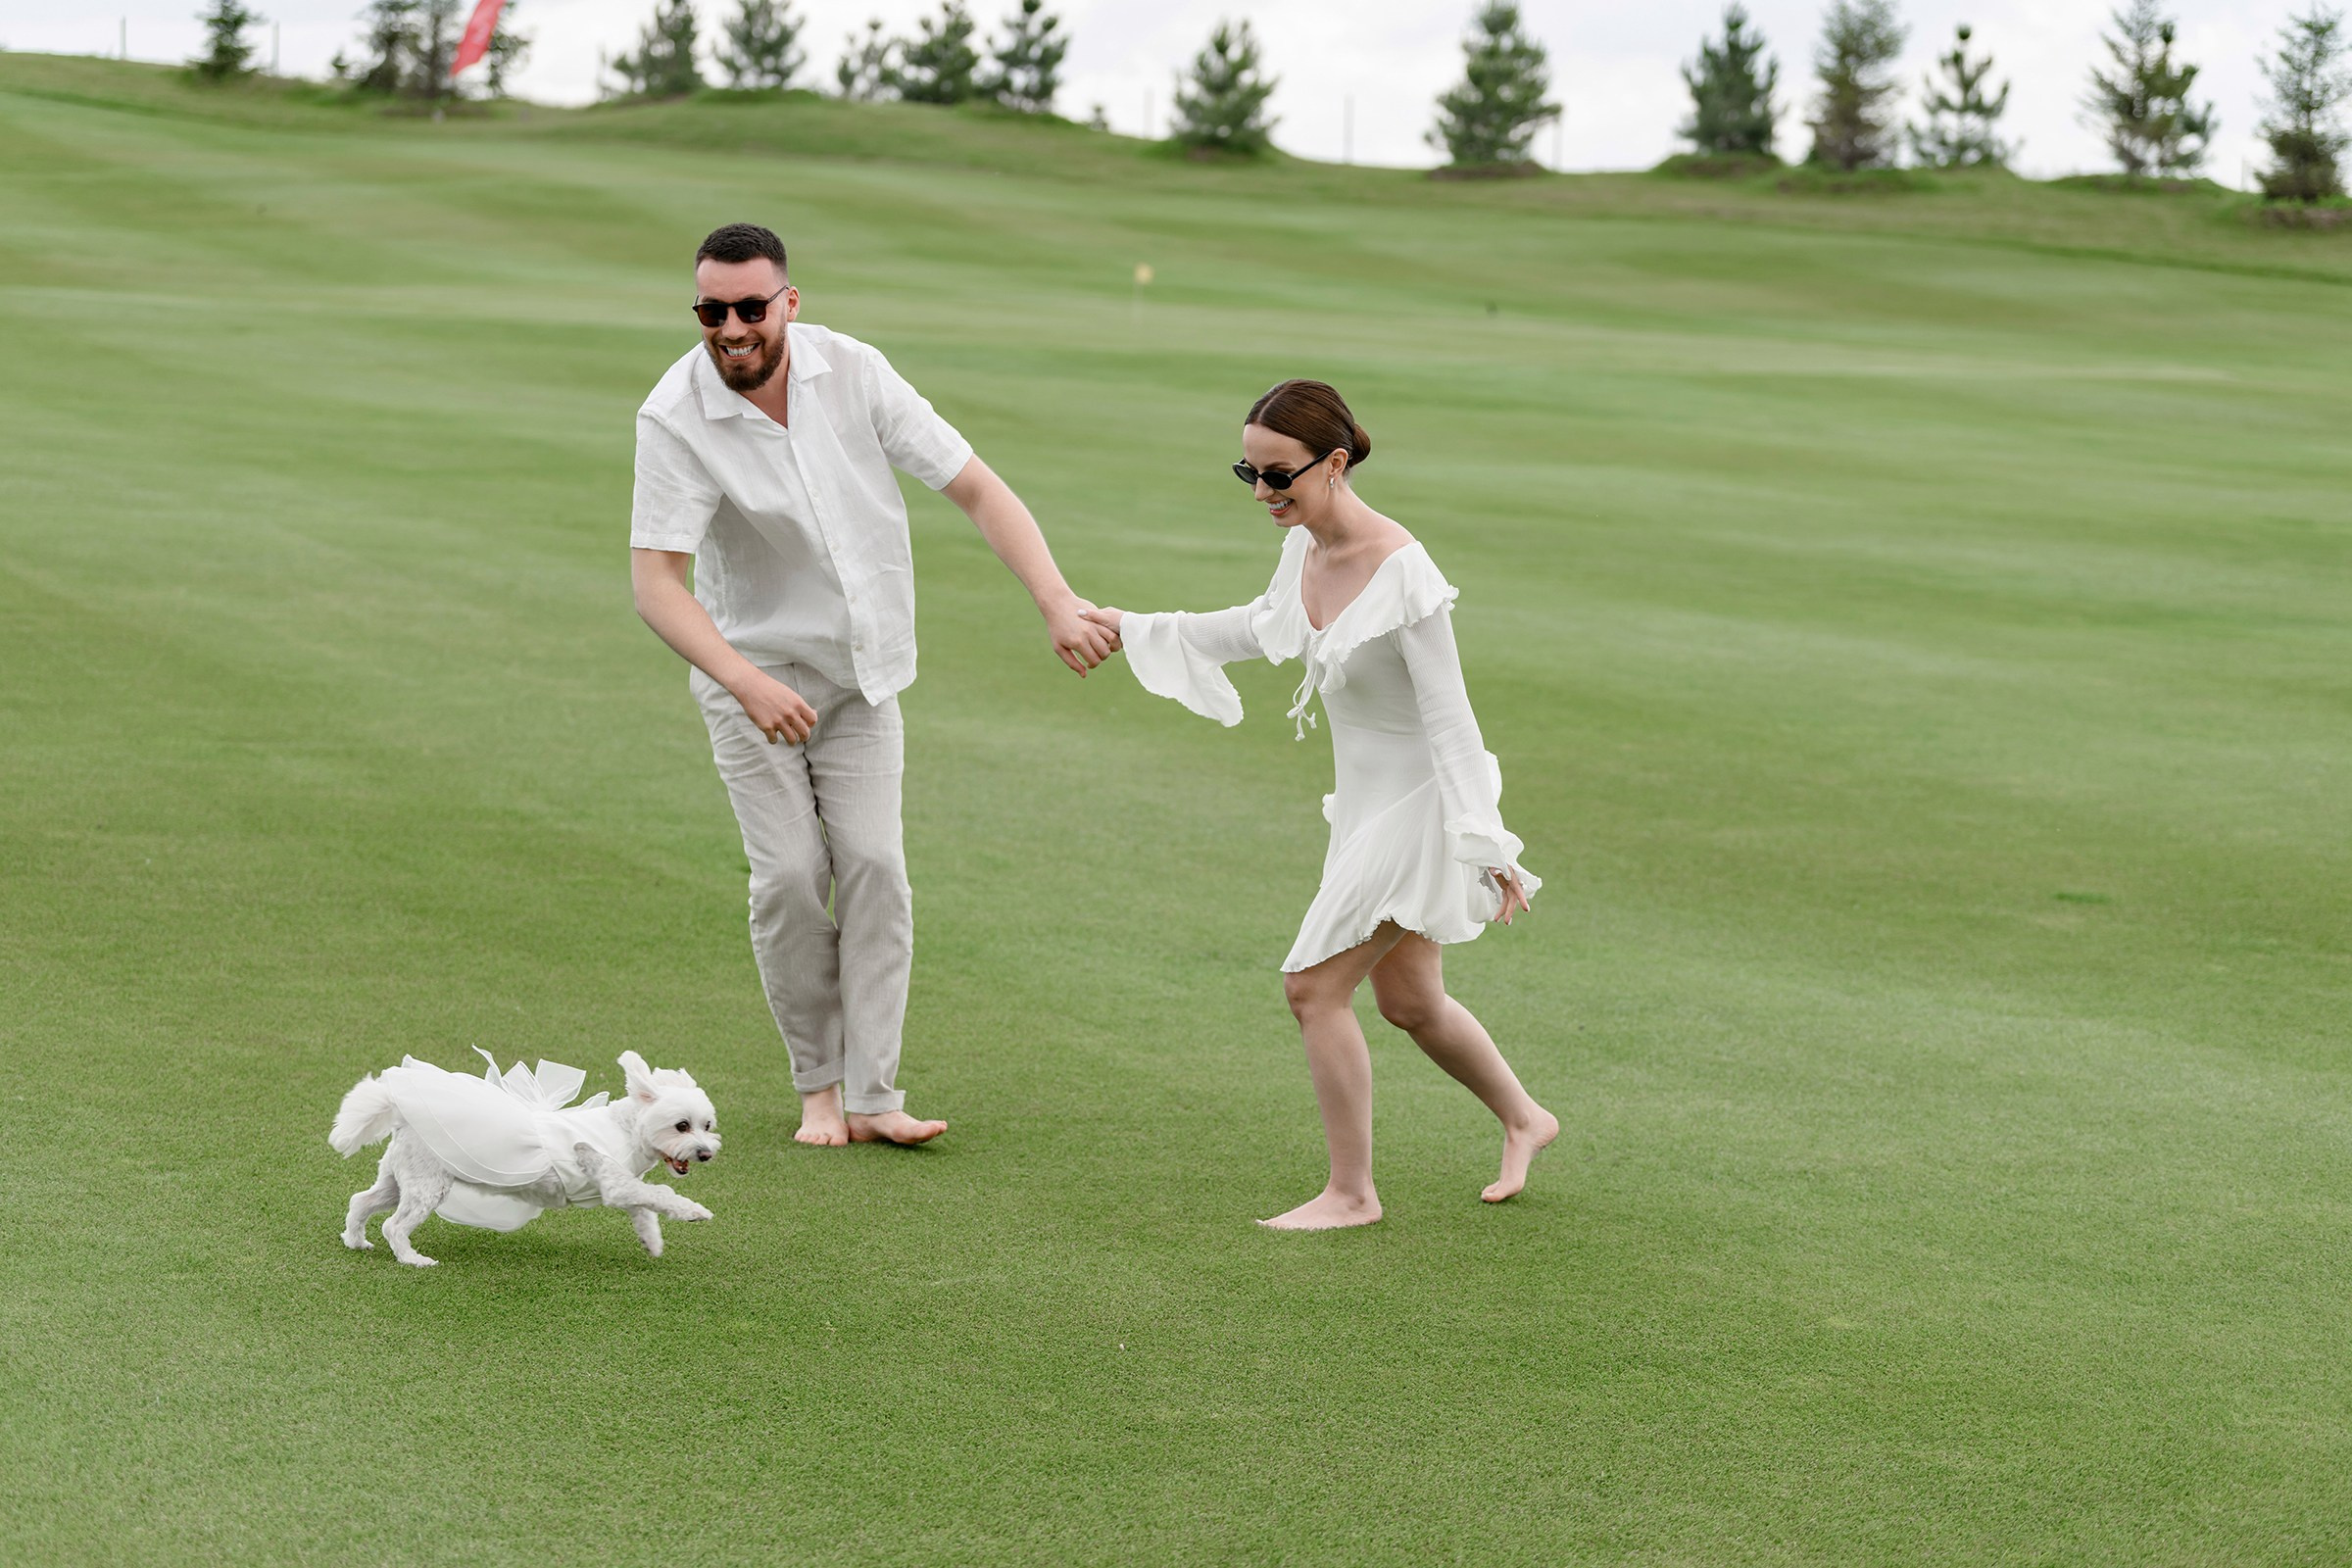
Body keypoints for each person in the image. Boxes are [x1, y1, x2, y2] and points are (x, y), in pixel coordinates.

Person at [629, 222, 1116, 1148]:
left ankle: (873, 1096)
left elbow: (976, 487)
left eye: (750, 308)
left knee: (877, 870)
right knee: (786, 879)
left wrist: (1057, 601)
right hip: (753, 677)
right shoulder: (675, 415)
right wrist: (742, 680)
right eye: (710, 310)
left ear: (789, 304)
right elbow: (657, 584)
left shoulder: (853, 371)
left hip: (864, 673)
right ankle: (819, 1087)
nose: (730, 327)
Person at [1084, 379, 1553, 1230]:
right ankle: (1527, 1119)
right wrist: (1134, 626)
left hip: (1419, 808)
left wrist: (1488, 843)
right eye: (1248, 474)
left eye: (1278, 476)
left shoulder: (1403, 568)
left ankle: (1352, 1194)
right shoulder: (1302, 548)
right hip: (1364, 808)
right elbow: (1260, 627)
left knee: (1312, 989)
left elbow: (1452, 721)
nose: (1262, 494)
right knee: (1410, 1003)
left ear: (1335, 464)